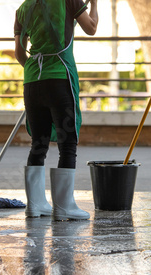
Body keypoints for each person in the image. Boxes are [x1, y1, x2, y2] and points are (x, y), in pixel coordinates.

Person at [14, 0, 98, 220]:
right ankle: (63, 207)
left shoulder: (23, 8)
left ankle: (36, 205)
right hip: (60, 79)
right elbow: (91, 29)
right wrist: (94, 5)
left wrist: (38, 74)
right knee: (67, 143)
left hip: (32, 81)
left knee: (38, 143)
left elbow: (19, 53)